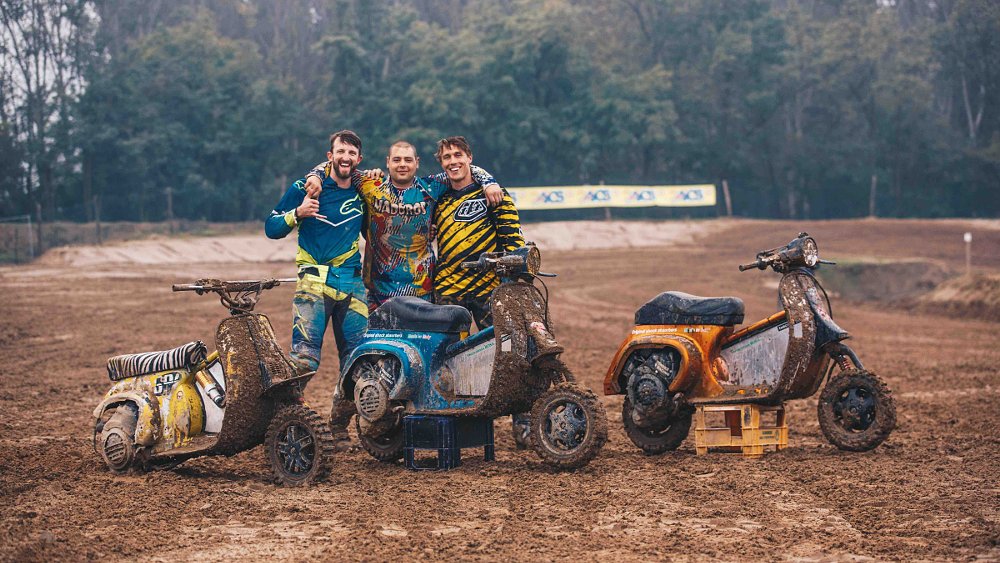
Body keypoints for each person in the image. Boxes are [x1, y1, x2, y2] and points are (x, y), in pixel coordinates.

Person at [302, 142, 503, 311]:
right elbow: (340, 163)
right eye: (396, 160)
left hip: (422, 292)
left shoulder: (431, 187)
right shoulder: (371, 184)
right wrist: (314, 177)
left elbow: (464, 167)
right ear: (388, 162)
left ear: (417, 163)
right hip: (378, 293)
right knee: (378, 353)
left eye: (408, 160)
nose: (402, 164)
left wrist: (489, 182)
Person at [264, 130, 372, 399]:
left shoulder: (364, 192)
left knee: (359, 362)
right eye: (340, 152)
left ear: (359, 159)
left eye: (351, 153)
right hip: (313, 283)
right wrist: (297, 213)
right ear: (330, 156)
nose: (345, 158)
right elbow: (271, 227)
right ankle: (286, 419)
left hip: (351, 284)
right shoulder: (306, 187)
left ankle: (339, 425)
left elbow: (373, 233)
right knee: (304, 360)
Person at [431, 136, 524, 329]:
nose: (453, 161)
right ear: (441, 163)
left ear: (470, 158)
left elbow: (514, 240)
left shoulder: (494, 194)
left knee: (503, 348)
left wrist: (514, 278)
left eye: (458, 155)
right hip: (449, 288)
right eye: (447, 157)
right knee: (449, 351)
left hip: (490, 288)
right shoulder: (437, 199)